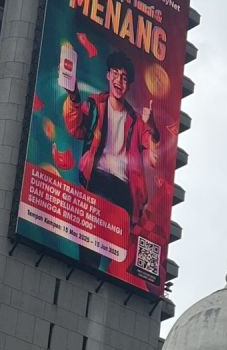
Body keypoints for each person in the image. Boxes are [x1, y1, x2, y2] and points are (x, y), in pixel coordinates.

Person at [62, 48, 160, 231]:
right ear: (108, 75)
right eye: (115, 73)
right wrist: (73, 96)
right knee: (89, 245)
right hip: (97, 179)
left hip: (124, 190)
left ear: (128, 85)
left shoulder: (137, 121)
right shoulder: (95, 104)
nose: (119, 80)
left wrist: (152, 127)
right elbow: (75, 128)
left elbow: (154, 158)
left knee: (118, 251)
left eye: (124, 77)